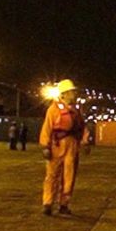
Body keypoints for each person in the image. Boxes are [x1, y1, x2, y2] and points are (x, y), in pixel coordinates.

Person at [39, 79, 84, 216]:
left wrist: (85, 142)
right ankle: (48, 203)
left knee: (69, 177)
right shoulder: (53, 110)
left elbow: (82, 128)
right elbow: (47, 128)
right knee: (52, 175)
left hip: (72, 145)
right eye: (71, 92)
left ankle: (64, 204)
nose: (74, 94)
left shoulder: (76, 111)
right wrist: (45, 146)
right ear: (64, 94)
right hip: (56, 145)